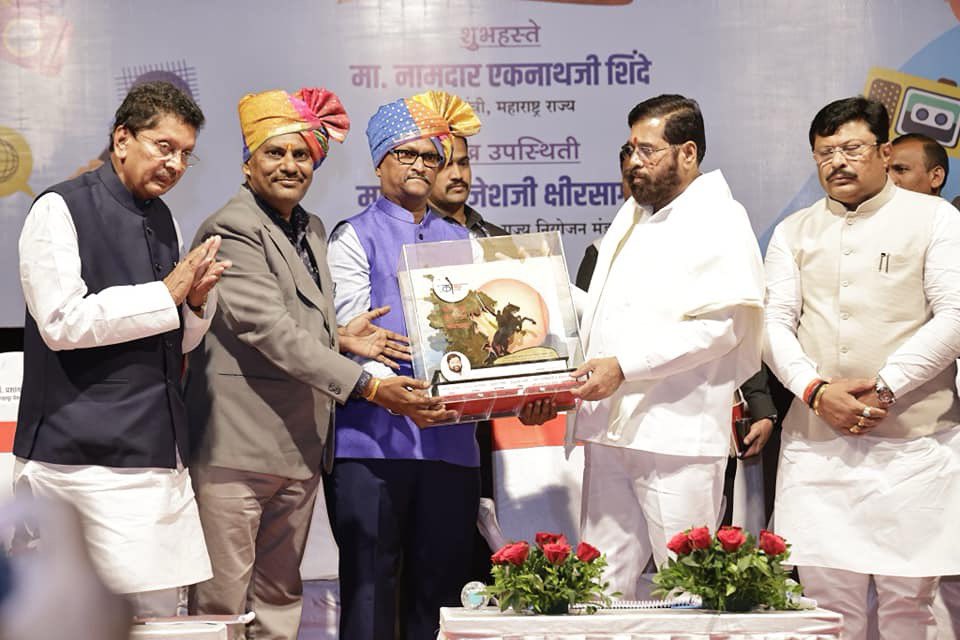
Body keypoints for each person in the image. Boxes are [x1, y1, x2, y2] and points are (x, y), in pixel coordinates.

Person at [184, 88, 447, 640]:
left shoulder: (312, 228)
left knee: (279, 600)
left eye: (301, 154)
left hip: (299, 446)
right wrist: (368, 387)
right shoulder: (231, 228)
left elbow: (299, 321)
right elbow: (267, 330)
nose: (290, 165)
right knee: (221, 605)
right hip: (237, 448)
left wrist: (340, 335)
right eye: (275, 152)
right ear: (248, 162)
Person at [14, 81, 228, 616]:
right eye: (164, 147)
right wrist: (166, 294)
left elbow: (173, 339)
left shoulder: (164, 219)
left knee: (159, 617)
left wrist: (194, 303)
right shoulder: (59, 208)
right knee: (82, 619)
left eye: (186, 154)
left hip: (158, 453)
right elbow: (60, 322)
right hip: (79, 462)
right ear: (122, 138)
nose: (175, 164)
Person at [764, 96, 960, 640]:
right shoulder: (793, 231)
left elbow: (955, 316)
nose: (837, 163)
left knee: (909, 608)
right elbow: (772, 325)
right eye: (825, 153)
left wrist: (887, 388)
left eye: (851, 148)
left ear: (884, 151)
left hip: (915, 447)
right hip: (817, 447)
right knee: (827, 612)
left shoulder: (936, 218)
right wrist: (814, 390)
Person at [566, 94, 765, 599]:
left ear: (688, 153)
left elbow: (720, 327)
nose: (633, 161)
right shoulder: (634, 215)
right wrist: (546, 294)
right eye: (629, 149)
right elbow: (612, 313)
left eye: (648, 150)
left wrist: (623, 367)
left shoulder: (719, 217)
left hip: (676, 436)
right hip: (612, 430)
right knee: (599, 585)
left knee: (687, 586)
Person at [325, 95, 478, 640]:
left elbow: (481, 337)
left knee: (439, 601)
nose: (420, 165)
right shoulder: (352, 236)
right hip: (373, 442)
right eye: (405, 154)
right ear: (379, 162)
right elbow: (353, 336)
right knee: (370, 596)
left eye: (430, 156)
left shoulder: (463, 240)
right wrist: (399, 395)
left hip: (450, 442)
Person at [420, 90, 508, 238]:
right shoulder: (416, 237)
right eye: (446, 165)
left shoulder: (497, 237)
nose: (457, 175)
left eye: (463, 163)